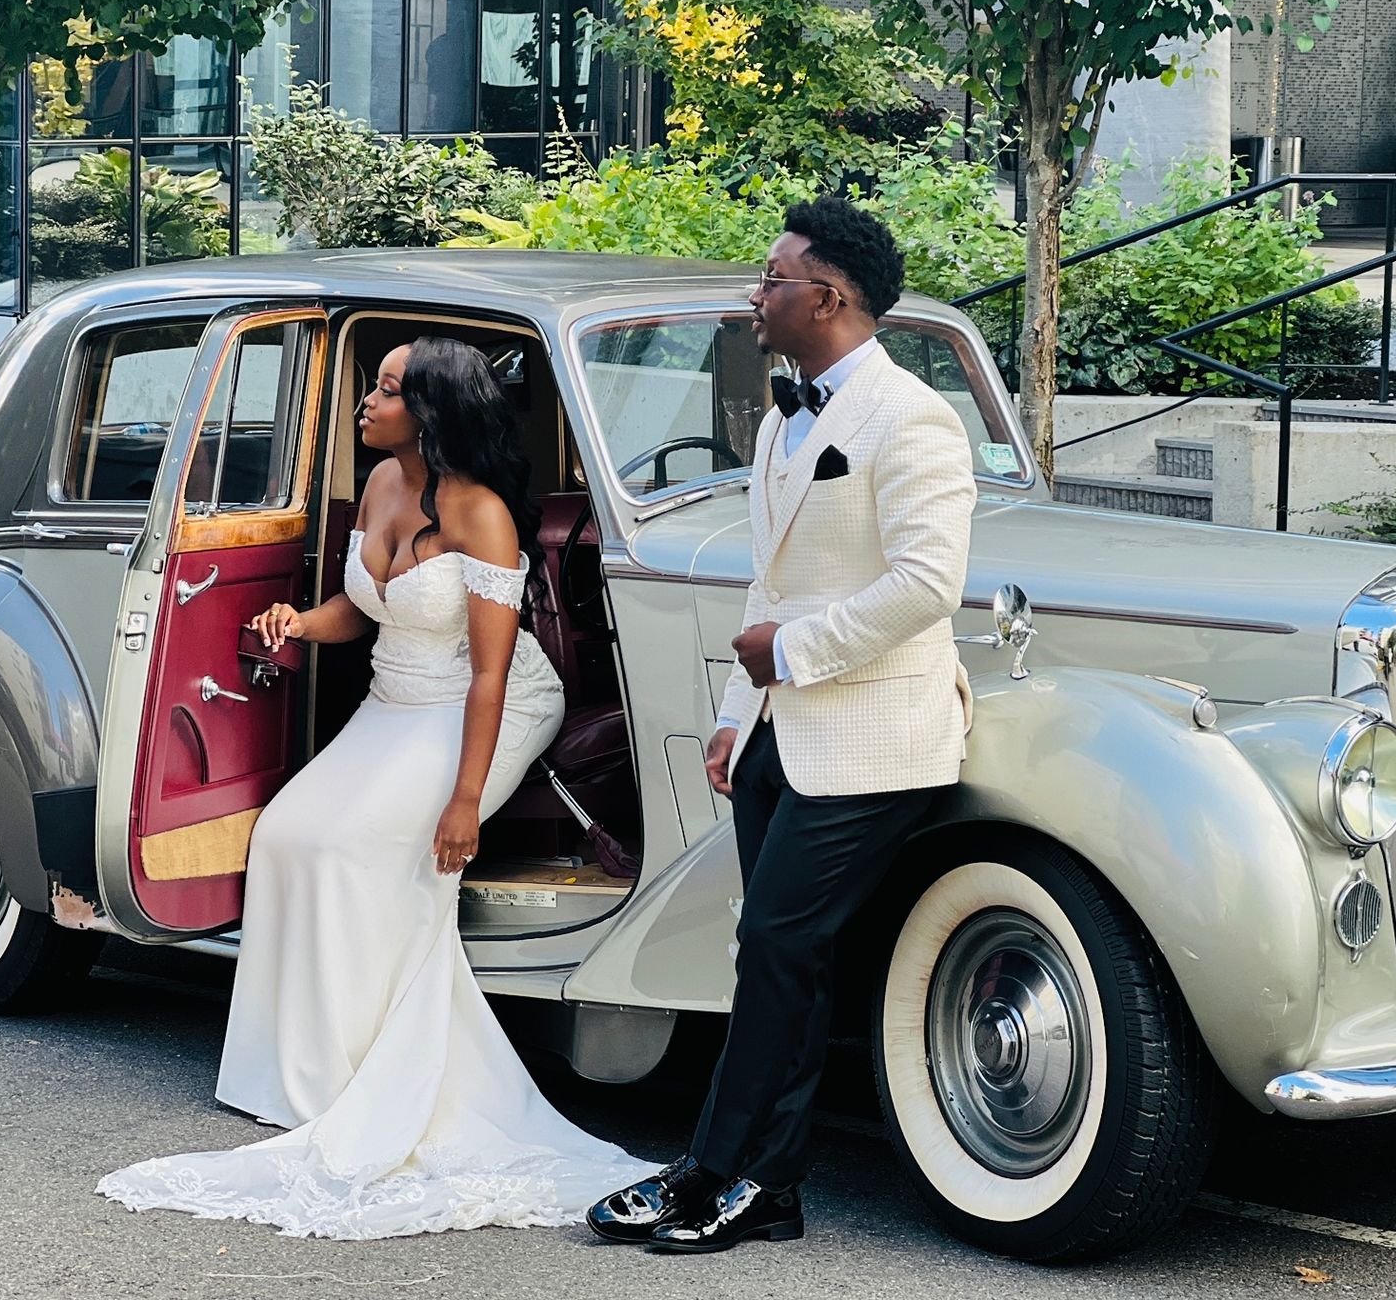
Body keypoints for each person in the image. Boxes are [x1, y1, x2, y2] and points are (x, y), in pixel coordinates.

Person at [98, 336, 649, 1240]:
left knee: (362, 848)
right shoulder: (385, 487)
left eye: (386, 390)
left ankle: (369, 1075)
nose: (365, 401)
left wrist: (465, 801)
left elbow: (490, 676)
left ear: (428, 412)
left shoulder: (482, 515)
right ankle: (295, 1076)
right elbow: (363, 607)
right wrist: (298, 622)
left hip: (487, 706)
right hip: (395, 695)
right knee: (286, 833)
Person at [587, 198, 977, 1253]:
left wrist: (794, 656)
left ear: (829, 298)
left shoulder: (911, 418)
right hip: (777, 734)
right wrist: (735, 715)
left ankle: (713, 1169)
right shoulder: (778, 418)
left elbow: (930, 584)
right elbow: (773, 578)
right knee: (782, 961)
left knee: (774, 944)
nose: (753, 296)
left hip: (875, 737)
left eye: (770, 279)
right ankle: (770, 1186)